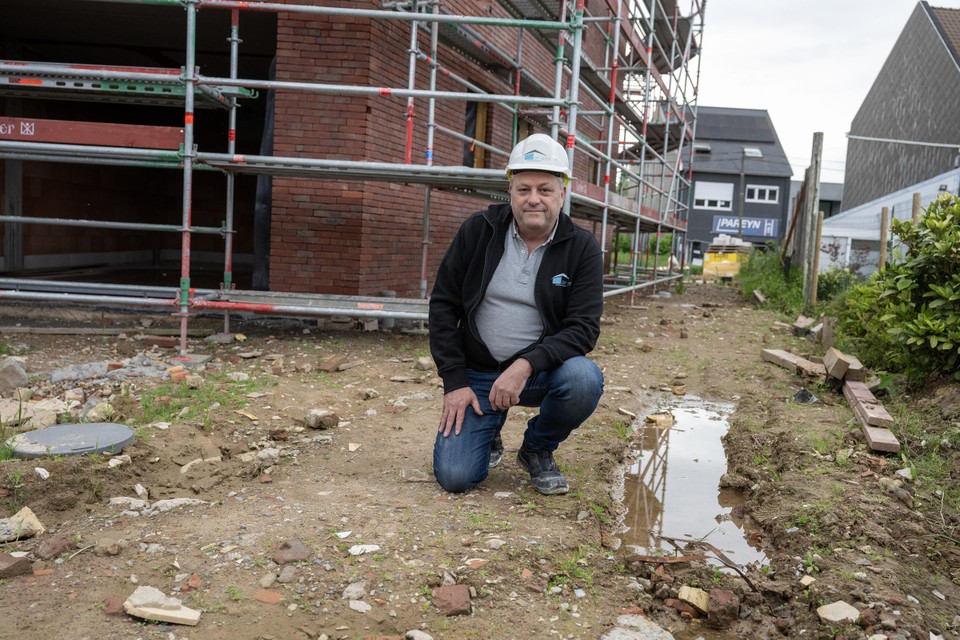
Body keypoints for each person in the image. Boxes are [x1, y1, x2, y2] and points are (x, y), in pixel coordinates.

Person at [428, 133, 605, 495]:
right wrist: (455, 383)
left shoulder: (581, 247)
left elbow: (583, 329)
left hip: (538, 375)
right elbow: (444, 305)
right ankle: (488, 431)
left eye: (544, 189)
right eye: (524, 189)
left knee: (583, 378)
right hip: (477, 375)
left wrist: (524, 366)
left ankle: (537, 448)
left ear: (562, 193)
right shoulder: (479, 231)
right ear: (510, 192)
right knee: (456, 477)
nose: (533, 199)